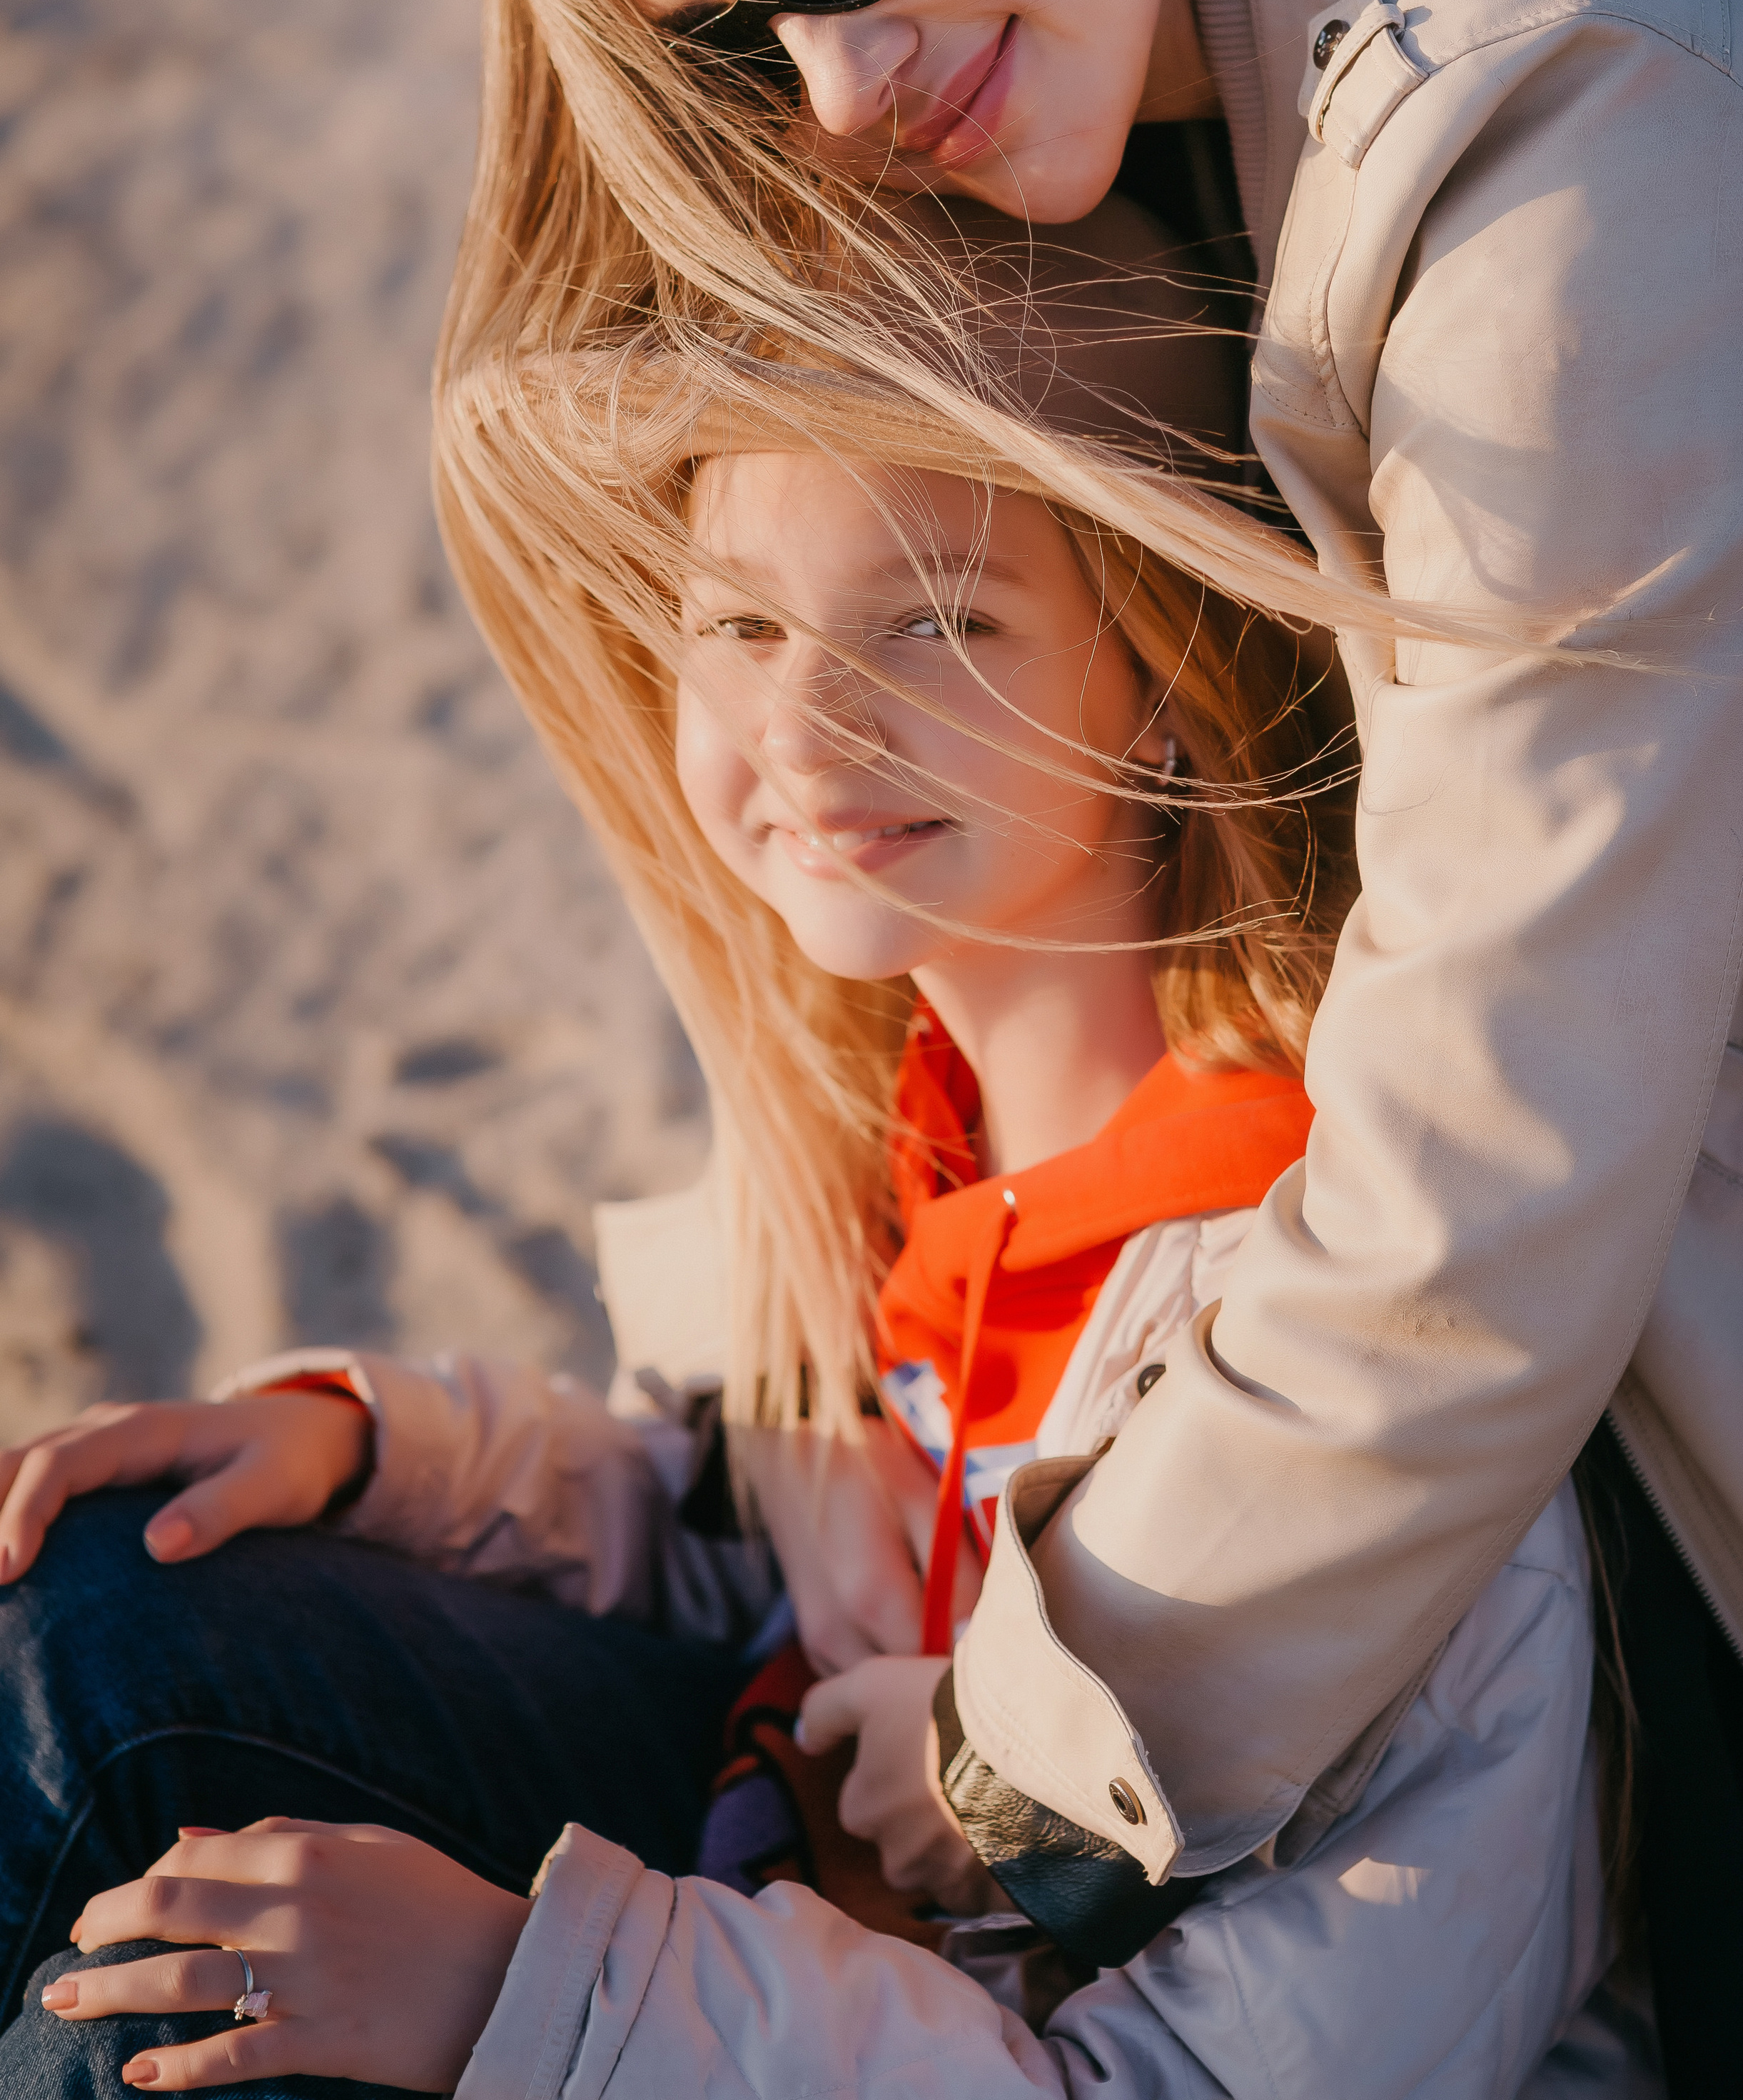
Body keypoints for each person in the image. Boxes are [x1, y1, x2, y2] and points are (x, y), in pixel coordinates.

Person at [453, 0, 1743, 2092]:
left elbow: (1495, 1169)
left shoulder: (1561, 137)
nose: (836, 88)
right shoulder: (1180, 87)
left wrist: (1025, 1745)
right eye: (734, 32)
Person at [0, 276, 1643, 2095]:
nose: (802, 723)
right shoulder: (875, 1122)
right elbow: (748, 1539)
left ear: (1165, 690)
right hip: (778, 1893)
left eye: (941, 620)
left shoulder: (1345, 1320)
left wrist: (518, 1999)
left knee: (160, 2033)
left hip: (958, 2035)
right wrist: (386, 1455)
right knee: (92, 1605)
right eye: (739, 622)